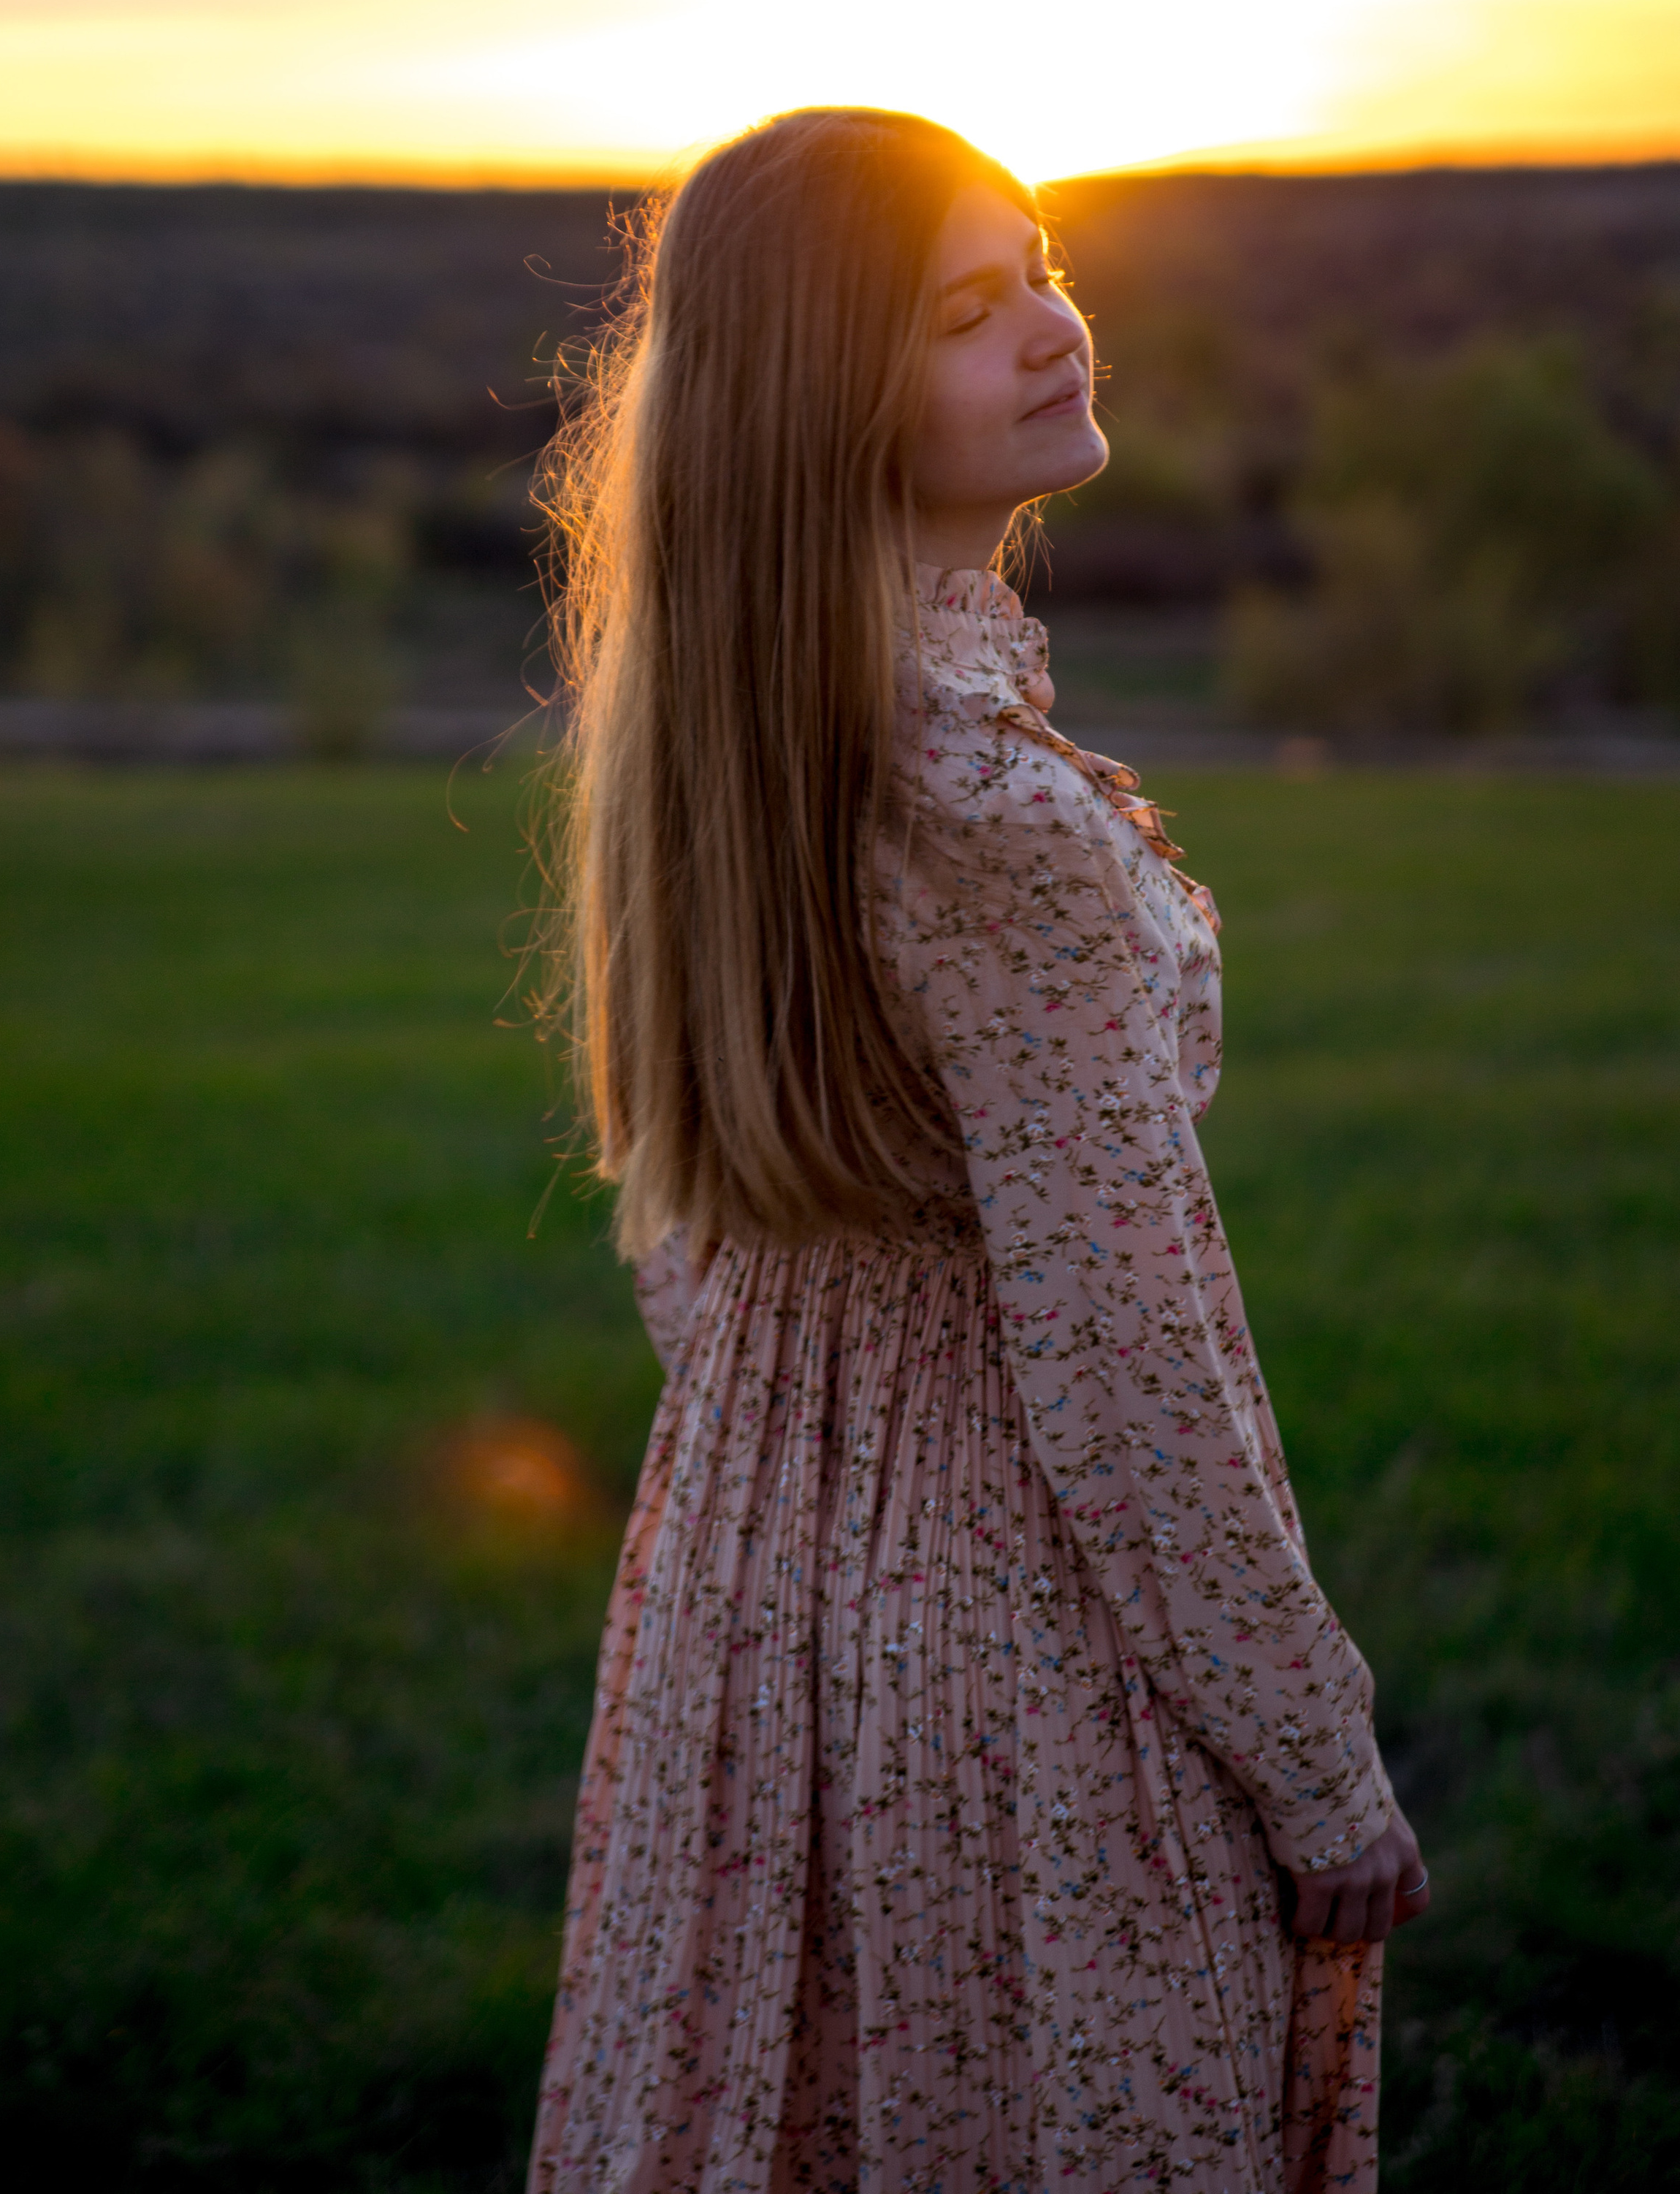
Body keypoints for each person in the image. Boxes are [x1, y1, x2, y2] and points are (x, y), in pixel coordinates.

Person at [527, 107, 1427, 2193]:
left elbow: (682, 1213)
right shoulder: (987, 821)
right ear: (825, 399)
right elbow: (1125, 1355)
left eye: (1040, 265)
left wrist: (818, 1467)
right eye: (964, 307)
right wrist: (1315, 1762)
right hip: (1010, 1607)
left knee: (802, 2090)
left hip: (750, 1581)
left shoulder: (733, 740)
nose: (1050, 326)